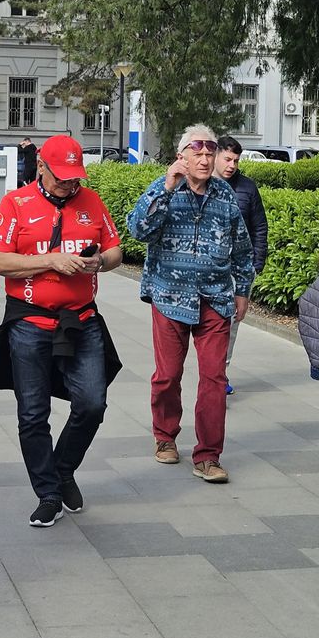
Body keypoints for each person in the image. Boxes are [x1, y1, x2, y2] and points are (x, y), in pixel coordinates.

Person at [0, 134, 124, 528]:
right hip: (30, 322)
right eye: (62, 178)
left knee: (92, 403)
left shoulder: (90, 201)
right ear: (41, 166)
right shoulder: (16, 203)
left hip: (82, 321)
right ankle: (48, 491)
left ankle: (62, 467)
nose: (70, 185)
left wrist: (99, 262)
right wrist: (51, 261)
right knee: (33, 413)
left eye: (75, 178)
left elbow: (116, 250)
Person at [126, 124, 254, 484]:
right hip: (169, 298)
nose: (204, 158)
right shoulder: (165, 189)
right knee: (168, 375)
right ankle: (165, 436)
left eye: (209, 152)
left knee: (214, 378)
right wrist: (165, 187)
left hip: (215, 298)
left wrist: (242, 290)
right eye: (196, 152)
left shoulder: (225, 196)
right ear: (181, 156)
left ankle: (208, 455)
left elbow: (242, 248)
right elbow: (137, 230)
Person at [215, 136, 269, 395]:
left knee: (231, 324)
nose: (232, 165)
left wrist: (256, 264)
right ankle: (211, 370)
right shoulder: (203, 185)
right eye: (227, 159)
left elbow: (259, 226)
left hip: (239, 270)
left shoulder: (247, 188)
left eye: (236, 160)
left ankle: (220, 373)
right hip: (209, 270)